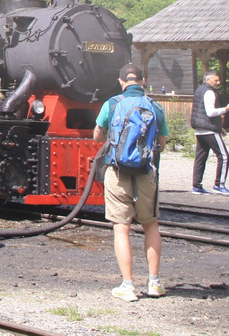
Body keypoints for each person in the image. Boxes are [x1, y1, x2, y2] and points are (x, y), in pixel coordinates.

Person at [93, 65, 168, 302]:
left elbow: (97, 136)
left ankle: (127, 285)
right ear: (143, 81)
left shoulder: (112, 104)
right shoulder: (155, 106)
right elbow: (162, 144)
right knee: (151, 225)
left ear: (121, 81)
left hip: (118, 172)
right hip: (146, 172)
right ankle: (154, 282)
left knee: (121, 227)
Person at [191, 70, 229, 195]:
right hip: (209, 129)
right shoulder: (209, 92)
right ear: (208, 80)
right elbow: (210, 112)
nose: (218, 82)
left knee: (200, 158)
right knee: (224, 156)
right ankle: (219, 184)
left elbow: (202, 112)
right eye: (216, 80)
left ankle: (196, 186)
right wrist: (227, 109)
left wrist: (220, 127)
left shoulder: (199, 90)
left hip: (200, 130)